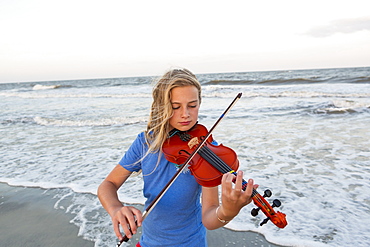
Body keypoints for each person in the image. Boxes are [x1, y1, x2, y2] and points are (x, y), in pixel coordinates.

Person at [97, 68, 257, 247]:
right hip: (149, 243)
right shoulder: (146, 143)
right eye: (175, 107)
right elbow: (107, 185)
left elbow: (210, 218)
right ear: (162, 107)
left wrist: (228, 211)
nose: (185, 114)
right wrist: (115, 208)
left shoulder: (206, 150)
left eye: (192, 105)